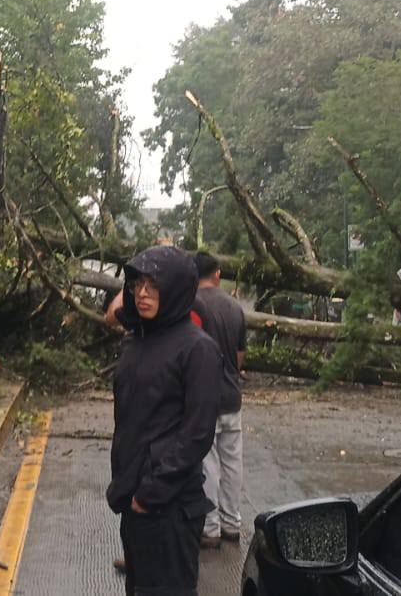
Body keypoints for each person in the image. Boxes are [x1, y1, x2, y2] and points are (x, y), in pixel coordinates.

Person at [107, 246, 223, 596]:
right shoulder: (139, 341)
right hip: (135, 500)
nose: (142, 293)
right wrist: (131, 492)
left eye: (154, 285)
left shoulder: (197, 349)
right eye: (137, 283)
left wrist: (151, 492)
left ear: (174, 289)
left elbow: (197, 433)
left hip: (168, 505)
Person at [189, 252, 246, 549]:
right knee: (232, 463)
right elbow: (239, 356)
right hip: (231, 396)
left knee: (208, 463)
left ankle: (209, 529)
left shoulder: (193, 305)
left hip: (205, 398)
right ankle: (232, 524)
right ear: (218, 274)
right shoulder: (235, 307)